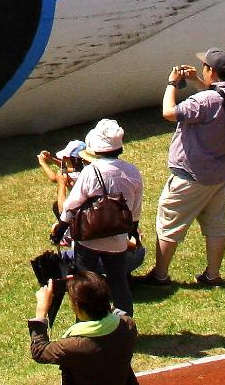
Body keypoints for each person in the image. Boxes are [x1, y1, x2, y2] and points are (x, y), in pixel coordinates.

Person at [138, 49, 225, 288]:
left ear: (211, 71)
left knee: (169, 223)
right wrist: (194, 81)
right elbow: (212, 97)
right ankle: (212, 275)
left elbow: (169, 112)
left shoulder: (203, 101)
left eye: (204, 66)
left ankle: (160, 275)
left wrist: (172, 84)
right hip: (219, 174)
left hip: (192, 176)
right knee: (215, 225)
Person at [57, 119, 143, 317]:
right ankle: (124, 323)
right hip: (118, 238)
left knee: (88, 281)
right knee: (118, 281)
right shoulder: (132, 171)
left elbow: (72, 203)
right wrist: (133, 232)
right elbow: (135, 209)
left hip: (89, 236)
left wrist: (61, 226)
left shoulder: (90, 172)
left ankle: (89, 322)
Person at [28, 270, 140, 384]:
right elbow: (116, 314)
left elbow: (39, 351)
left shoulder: (71, 346)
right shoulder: (128, 326)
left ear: (77, 306)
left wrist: (41, 310)